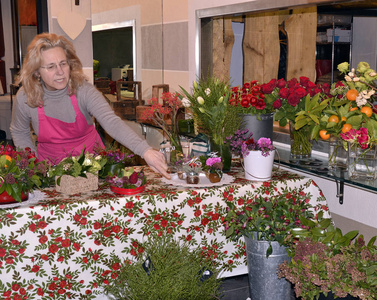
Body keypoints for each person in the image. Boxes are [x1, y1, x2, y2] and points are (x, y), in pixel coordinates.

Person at [10, 33, 170, 179]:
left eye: (63, 64)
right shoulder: (25, 96)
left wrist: (145, 150)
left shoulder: (83, 90)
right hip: (50, 169)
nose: (60, 72)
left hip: (93, 167)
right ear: (37, 71)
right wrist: (34, 165)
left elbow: (111, 122)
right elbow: (19, 131)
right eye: (51, 67)